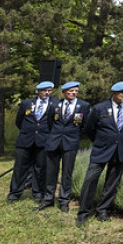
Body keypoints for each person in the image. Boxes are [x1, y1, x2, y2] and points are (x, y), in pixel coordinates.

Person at [76, 81, 123, 225]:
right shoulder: (100, 108)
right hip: (102, 149)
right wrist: (101, 141)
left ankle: (102, 210)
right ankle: (83, 212)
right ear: (114, 93)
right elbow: (89, 129)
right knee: (90, 180)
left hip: (121, 149)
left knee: (113, 182)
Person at [39, 81, 89, 212]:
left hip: (70, 143)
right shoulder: (56, 104)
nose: (73, 93)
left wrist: (74, 136)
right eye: (70, 91)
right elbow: (50, 122)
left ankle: (64, 201)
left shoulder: (83, 105)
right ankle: (48, 199)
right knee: (50, 172)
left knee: (67, 173)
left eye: (76, 91)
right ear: (64, 92)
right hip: (54, 142)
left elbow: (85, 126)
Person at [8, 81, 55, 203]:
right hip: (25, 140)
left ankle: (38, 193)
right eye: (44, 90)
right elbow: (19, 121)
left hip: (43, 141)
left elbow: (52, 122)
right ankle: (14, 193)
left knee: (40, 168)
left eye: (49, 90)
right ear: (38, 91)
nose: (46, 93)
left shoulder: (54, 104)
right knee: (19, 168)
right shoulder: (26, 103)